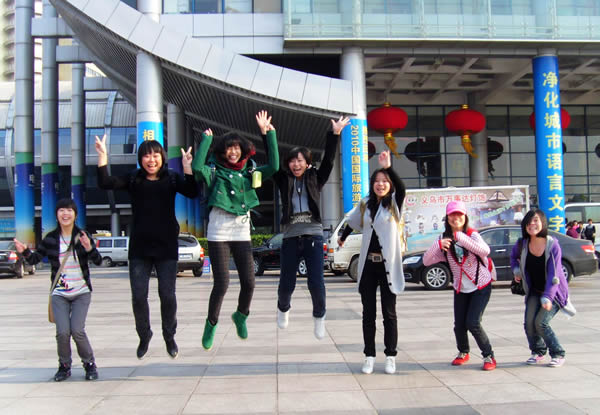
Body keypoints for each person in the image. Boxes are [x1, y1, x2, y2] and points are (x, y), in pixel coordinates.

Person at [95, 136, 198, 360]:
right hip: (140, 247)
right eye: (146, 156)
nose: (151, 160)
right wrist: (102, 156)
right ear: (141, 159)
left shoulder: (172, 178)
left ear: (162, 157)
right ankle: (144, 334)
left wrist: (187, 167)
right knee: (138, 296)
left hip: (166, 246)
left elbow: (192, 191)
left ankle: (169, 336)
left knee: (167, 295)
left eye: (155, 155)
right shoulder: (134, 179)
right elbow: (106, 183)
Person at [193, 111, 279, 350]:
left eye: (237, 148)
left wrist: (268, 134)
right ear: (223, 151)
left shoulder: (249, 173)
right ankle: (211, 324)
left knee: (249, 282)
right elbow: (197, 167)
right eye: (229, 148)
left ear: (243, 150)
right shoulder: (213, 172)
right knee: (222, 284)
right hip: (218, 232)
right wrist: (206, 141)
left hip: (241, 231)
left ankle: (241, 315)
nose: (233, 152)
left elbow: (274, 166)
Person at [268, 115, 350, 340]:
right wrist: (268, 134)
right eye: (292, 161)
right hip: (290, 237)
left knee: (316, 282)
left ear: (307, 163)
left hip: (313, 235)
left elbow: (329, 161)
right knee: (287, 283)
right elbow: (272, 162)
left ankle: (319, 317)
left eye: (300, 161)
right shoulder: (284, 180)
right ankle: (283, 308)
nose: (296, 164)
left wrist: (334, 134)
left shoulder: (316, 178)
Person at [14, 198, 103, 381]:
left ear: (75, 215)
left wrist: (89, 247)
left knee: (77, 330)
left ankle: (89, 364)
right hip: (59, 293)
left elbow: (98, 261)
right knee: (62, 332)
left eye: (69, 210)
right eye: (61, 210)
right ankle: (64, 365)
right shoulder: (51, 238)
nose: (65, 214)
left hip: (81, 291)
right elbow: (35, 259)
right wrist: (25, 251)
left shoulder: (83, 236)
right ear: (56, 215)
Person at [338, 150, 406, 374]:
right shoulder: (365, 203)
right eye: (377, 181)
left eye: (384, 181)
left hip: (388, 265)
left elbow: (401, 189)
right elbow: (352, 220)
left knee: (389, 313)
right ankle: (369, 355)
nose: (380, 184)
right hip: (368, 265)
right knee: (368, 313)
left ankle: (390, 356)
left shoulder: (394, 203)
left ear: (389, 184)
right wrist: (343, 237)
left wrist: (388, 168)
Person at [423, 200, 497, 371]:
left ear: (465, 217)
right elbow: (427, 261)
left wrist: (460, 236)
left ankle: (489, 355)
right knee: (459, 325)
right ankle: (463, 352)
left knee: (473, 322)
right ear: (447, 217)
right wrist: (438, 245)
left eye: (459, 214)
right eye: (452, 215)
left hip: (480, 285)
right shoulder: (443, 238)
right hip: (460, 287)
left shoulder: (472, 234)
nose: (456, 218)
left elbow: (485, 251)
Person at [510, 209, 569, 367]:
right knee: (529, 323)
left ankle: (558, 353)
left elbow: (554, 274)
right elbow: (513, 257)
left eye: (535, 220)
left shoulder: (552, 244)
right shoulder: (522, 244)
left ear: (542, 222)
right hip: (534, 291)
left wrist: (548, 297)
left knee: (540, 323)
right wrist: (516, 270)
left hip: (554, 293)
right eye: (529, 222)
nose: (532, 224)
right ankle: (538, 351)